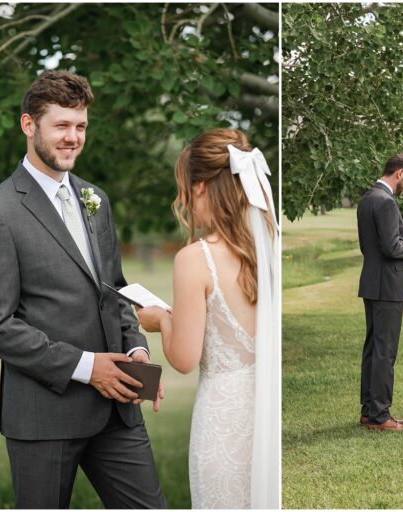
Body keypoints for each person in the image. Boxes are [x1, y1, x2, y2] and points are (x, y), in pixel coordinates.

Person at [0, 70, 166, 508]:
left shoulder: (96, 199)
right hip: (44, 416)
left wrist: (137, 352)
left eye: (80, 126)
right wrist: (85, 366)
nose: (73, 137)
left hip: (118, 411)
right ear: (28, 125)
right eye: (61, 125)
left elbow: (115, 289)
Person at [135, 128, 279, 508]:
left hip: (224, 418)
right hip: (269, 414)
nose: (182, 199)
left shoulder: (195, 259)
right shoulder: (271, 252)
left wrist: (161, 321)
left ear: (199, 188)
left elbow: (183, 358)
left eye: (184, 188)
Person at [356, 154, 403, 431]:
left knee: (373, 349)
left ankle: (369, 411)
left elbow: (371, 246)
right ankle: (380, 416)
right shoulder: (386, 202)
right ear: (400, 173)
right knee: (385, 351)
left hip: (373, 282)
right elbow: (392, 247)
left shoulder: (368, 198)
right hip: (388, 285)